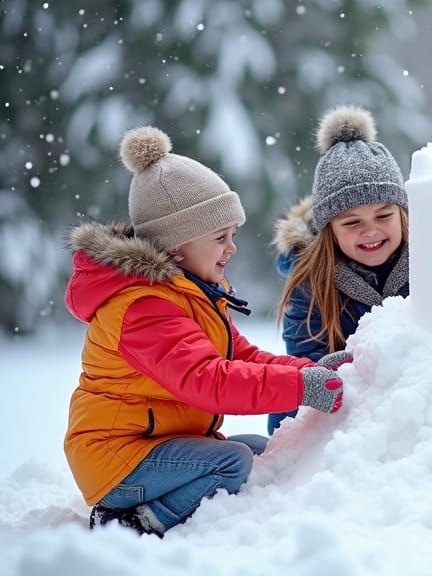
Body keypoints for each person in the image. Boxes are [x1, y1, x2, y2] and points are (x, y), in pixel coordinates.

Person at [64, 126, 350, 537]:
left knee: (260, 448)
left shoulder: (191, 295)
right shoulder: (144, 307)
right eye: (220, 237)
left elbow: (242, 356)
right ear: (177, 246)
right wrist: (301, 386)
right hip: (117, 460)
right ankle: (135, 522)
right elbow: (207, 380)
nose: (231, 248)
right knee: (232, 461)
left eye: (232, 235)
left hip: (153, 446)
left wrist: (308, 369)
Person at [270, 106, 409, 434]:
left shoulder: (428, 260)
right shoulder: (309, 282)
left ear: (402, 213)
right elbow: (305, 367)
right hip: (326, 424)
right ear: (328, 228)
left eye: (384, 216)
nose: (371, 231)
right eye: (352, 222)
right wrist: (360, 366)